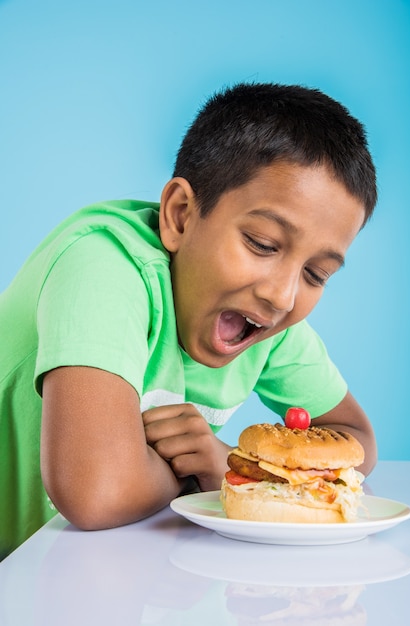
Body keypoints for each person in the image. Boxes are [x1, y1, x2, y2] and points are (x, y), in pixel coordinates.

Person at [0, 82, 378, 560]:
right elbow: (94, 492)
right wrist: (197, 472)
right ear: (180, 216)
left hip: (65, 570)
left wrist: (231, 465)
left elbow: (358, 443)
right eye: (262, 244)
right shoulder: (103, 264)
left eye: (315, 273)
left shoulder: (267, 323)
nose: (282, 295)